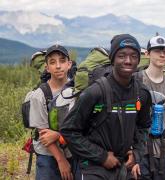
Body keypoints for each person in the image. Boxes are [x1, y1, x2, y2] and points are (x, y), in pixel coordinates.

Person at [60, 34, 152, 180]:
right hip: (93, 168)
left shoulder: (142, 93)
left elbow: (144, 126)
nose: (128, 61)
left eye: (133, 56)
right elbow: (69, 130)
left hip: (123, 167)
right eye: (122, 56)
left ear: (138, 60)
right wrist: (101, 156)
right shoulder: (95, 92)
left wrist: (137, 153)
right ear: (112, 59)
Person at [132, 35, 165, 180]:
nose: (162, 54)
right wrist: (132, 155)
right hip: (140, 151)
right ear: (147, 54)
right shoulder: (136, 80)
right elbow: (129, 120)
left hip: (163, 153)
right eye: (157, 50)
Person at [29, 44, 74, 180]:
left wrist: (58, 134)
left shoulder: (77, 90)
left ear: (69, 64)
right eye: (52, 62)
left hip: (72, 151)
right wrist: (61, 160)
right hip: (47, 153)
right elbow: (44, 135)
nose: (58, 66)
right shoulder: (40, 95)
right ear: (47, 67)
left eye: (62, 61)